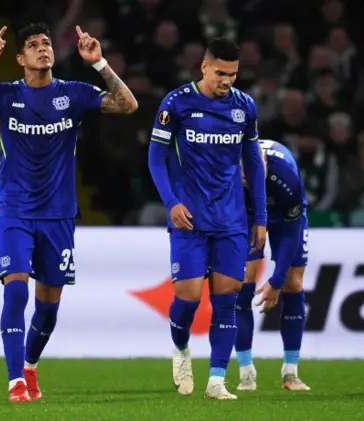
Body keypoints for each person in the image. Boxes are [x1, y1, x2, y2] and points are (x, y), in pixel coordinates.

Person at [0, 23, 138, 403]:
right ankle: (16, 381)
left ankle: (30, 366)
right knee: (16, 293)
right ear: (20, 59)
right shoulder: (4, 96)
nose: (42, 49)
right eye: (33, 45)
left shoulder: (74, 93)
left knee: (47, 310)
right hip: (15, 210)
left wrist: (99, 65)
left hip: (59, 214)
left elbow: (128, 105)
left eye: (46, 43)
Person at [147, 37, 267, 400]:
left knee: (228, 299)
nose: (227, 81)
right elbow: (155, 158)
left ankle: (217, 379)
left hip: (231, 220)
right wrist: (170, 203)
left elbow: (254, 166)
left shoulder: (244, 108)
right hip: (189, 219)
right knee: (187, 299)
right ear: (203, 67)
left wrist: (259, 216)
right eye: (220, 73)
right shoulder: (176, 103)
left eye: (232, 74)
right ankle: (181, 350)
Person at [234, 139, 311, 392]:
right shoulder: (227, 172)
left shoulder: (287, 177)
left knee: (293, 282)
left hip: (283, 218)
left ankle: (291, 372)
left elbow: (291, 234)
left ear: (264, 164)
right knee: (241, 286)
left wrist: (277, 280)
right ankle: (246, 373)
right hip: (246, 216)